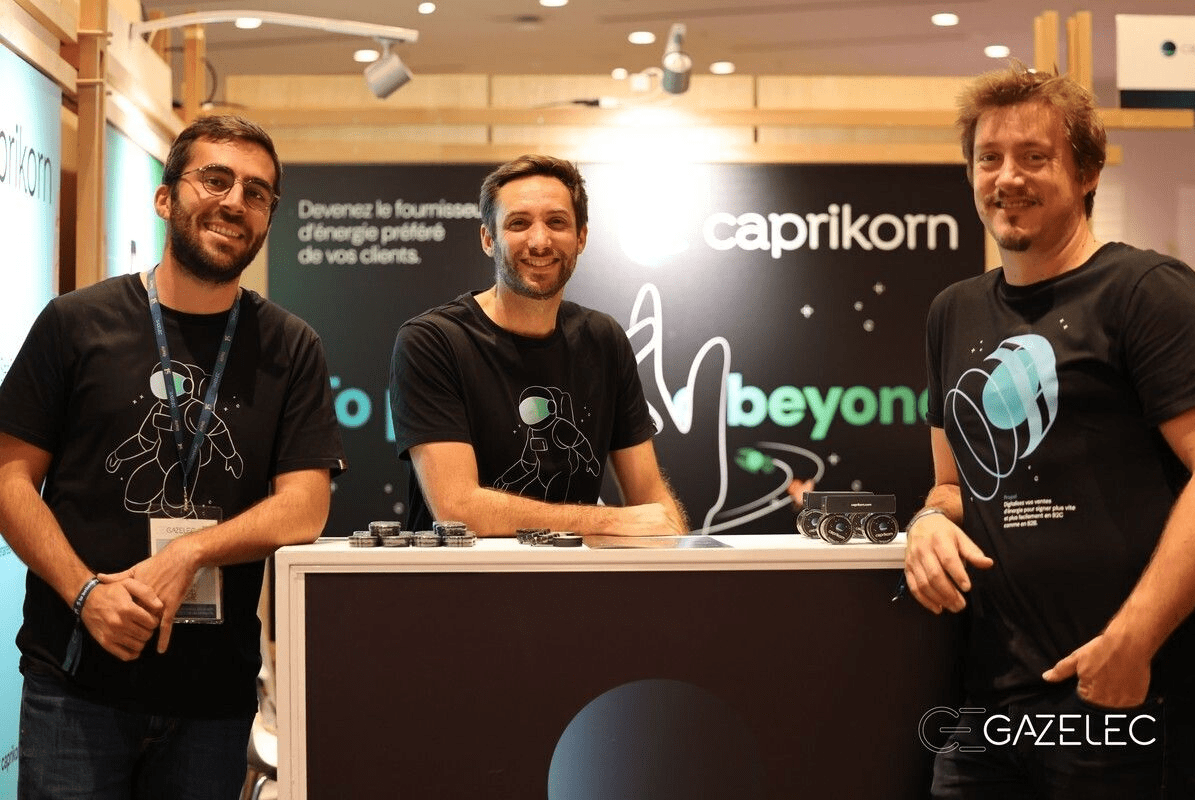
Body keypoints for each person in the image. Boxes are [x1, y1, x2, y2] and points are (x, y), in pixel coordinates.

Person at [0, 114, 346, 799]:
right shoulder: (77, 323)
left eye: (256, 193)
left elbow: (305, 507)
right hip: (77, 680)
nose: (235, 202)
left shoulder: (290, 346)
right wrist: (85, 592)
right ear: (165, 198)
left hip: (212, 698)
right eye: (215, 180)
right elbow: (10, 478)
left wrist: (190, 552)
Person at [904, 64, 1195, 798]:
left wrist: (1133, 642)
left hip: (1124, 700)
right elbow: (952, 486)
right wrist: (927, 522)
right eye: (989, 158)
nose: (1008, 177)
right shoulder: (952, 311)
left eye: (1034, 157)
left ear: (1087, 172)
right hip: (987, 711)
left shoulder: (1146, 292)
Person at [389, 154, 687, 536]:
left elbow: (652, 497)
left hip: (572, 574)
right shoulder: (433, 341)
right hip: (461, 574)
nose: (540, 241)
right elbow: (459, 509)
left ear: (581, 237)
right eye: (519, 223)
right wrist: (612, 521)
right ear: (488, 239)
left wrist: (677, 543)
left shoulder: (604, 340)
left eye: (557, 222)